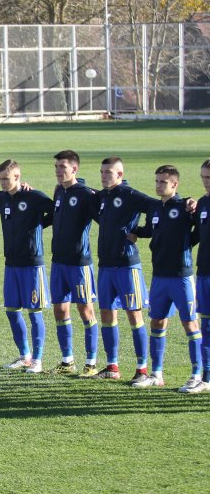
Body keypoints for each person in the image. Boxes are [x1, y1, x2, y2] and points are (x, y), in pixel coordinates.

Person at [128, 165, 202, 391]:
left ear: (175, 184)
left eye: (163, 182)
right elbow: (152, 229)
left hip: (181, 276)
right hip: (159, 275)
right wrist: (136, 233)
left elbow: (200, 228)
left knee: (190, 323)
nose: (158, 185)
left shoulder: (185, 207)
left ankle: (197, 374)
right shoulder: (155, 208)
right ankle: (157, 374)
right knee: (157, 322)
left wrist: (187, 244)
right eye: (157, 181)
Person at [0, 160, 54, 374]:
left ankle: (38, 360)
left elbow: (58, 211)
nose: (3, 183)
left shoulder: (34, 197)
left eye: (7, 178)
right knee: (12, 311)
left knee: (34, 312)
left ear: (18, 176)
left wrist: (39, 223)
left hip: (32, 264)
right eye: (0, 179)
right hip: (10, 263)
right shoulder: (2, 199)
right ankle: (25, 356)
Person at [93, 156, 157, 382]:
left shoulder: (130, 195)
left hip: (127, 265)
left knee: (134, 315)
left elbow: (156, 206)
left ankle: (142, 369)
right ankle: (112, 366)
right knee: (107, 315)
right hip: (105, 265)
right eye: (101, 172)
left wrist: (142, 231)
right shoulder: (101, 196)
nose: (103, 176)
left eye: (107, 172)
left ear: (119, 175)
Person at [48, 150, 100, 376]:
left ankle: (91, 362)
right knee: (60, 310)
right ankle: (67, 361)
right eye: (57, 167)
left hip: (79, 263)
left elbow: (105, 216)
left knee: (86, 310)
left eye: (63, 167)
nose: (59, 171)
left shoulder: (87, 194)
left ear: (75, 169)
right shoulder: (59, 191)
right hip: (58, 262)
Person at [192, 159, 210, 393]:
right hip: (204, 273)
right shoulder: (203, 204)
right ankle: (206, 377)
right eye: (204, 178)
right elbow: (193, 235)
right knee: (205, 327)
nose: (207, 182)